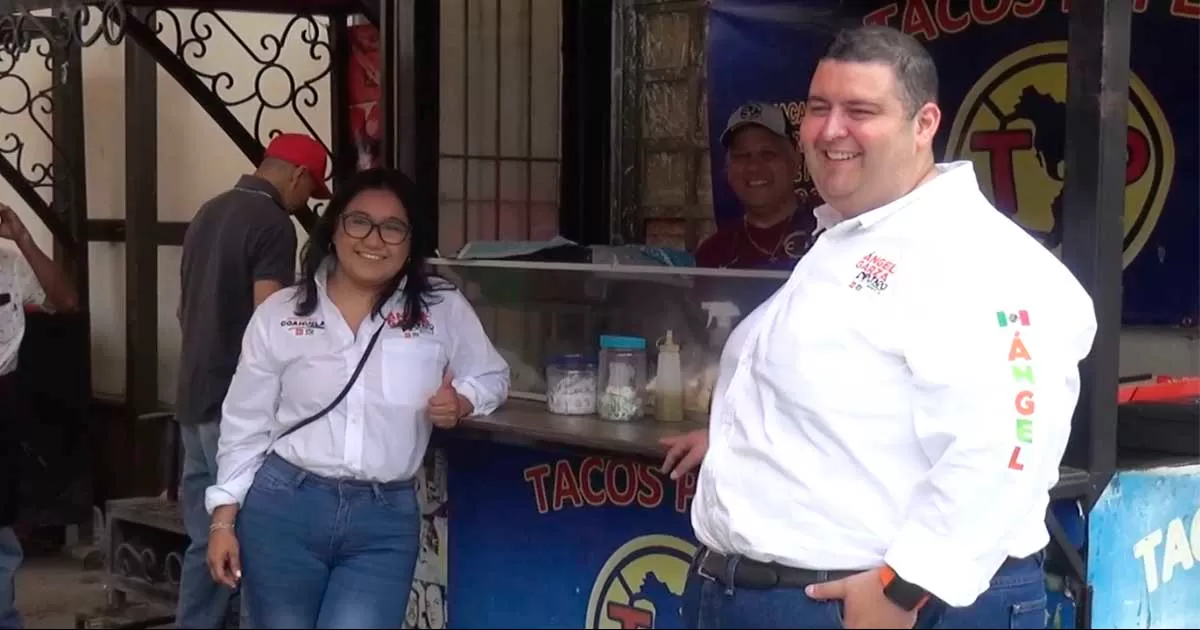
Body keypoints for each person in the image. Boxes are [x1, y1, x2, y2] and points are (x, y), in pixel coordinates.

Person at [660, 25, 1097, 629]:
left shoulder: (976, 254)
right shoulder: (849, 234)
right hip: (758, 597)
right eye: (819, 108)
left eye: (860, 110)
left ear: (924, 124)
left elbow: (1009, 444)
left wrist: (904, 587)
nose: (832, 130)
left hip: (871, 607)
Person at [204, 168, 510, 628]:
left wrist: (463, 399)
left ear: (410, 243)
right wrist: (223, 521)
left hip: (382, 522)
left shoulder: (441, 309)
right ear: (334, 230)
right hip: (284, 509)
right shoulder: (281, 313)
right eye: (359, 222)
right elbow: (244, 423)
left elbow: (491, 374)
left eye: (393, 228)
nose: (375, 239)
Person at [174, 132, 330, 628]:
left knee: (208, 535)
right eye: (311, 190)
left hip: (192, 395)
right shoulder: (272, 223)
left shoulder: (208, 210)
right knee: (252, 538)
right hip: (236, 407)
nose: (307, 201)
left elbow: (185, 307)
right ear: (299, 176)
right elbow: (270, 318)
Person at [0, 203, 79, 630]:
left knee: (2, 528)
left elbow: (66, 299)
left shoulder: (11, 264)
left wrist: (24, 240)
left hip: (4, 401)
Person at [694, 101, 819, 270]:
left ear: (795, 159)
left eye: (768, 154)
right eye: (742, 155)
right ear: (727, 168)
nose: (754, 167)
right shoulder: (713, 253)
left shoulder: (827, 236)